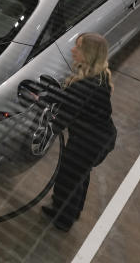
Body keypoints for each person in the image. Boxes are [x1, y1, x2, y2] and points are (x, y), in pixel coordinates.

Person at [40, 33, 117, 231]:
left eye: (78, 47)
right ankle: (72, 211)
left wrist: (48, 123)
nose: (73, 50)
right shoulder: (99, 75)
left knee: (68, 178)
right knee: (79, 176)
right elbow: (71, 99)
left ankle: (63, 220)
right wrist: (50, 93)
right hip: (100, 137)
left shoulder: (85, 85)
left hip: (88, 141)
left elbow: (65, 114)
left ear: (88, 54)